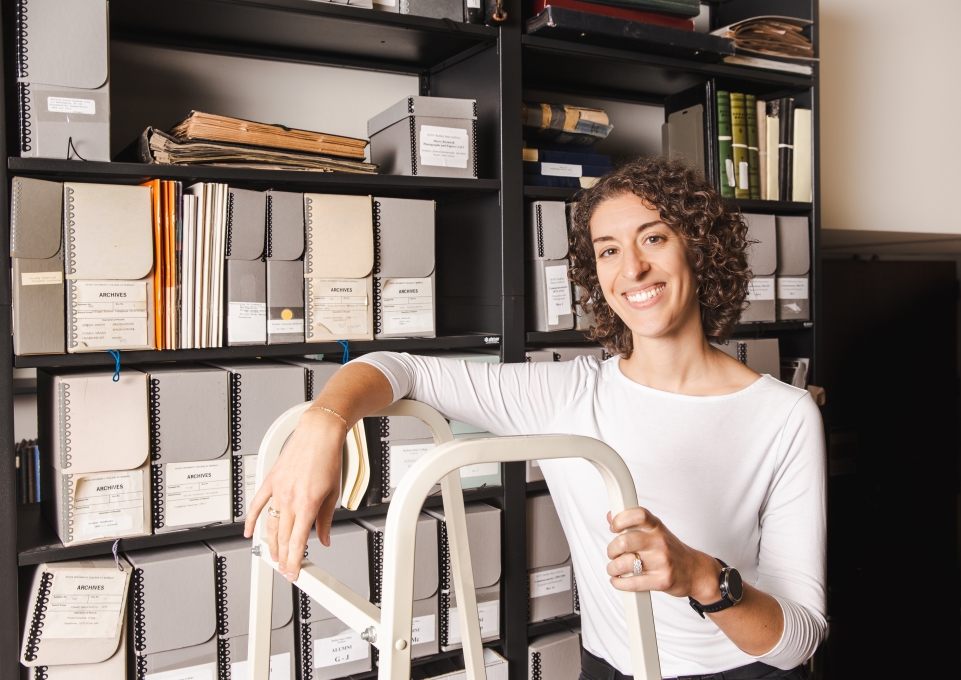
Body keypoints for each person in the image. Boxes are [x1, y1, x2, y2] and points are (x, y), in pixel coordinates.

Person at [245, 156, 826, 680]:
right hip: (608, 669)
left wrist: (702, 577)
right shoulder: (566, 392)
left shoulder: (784, 415)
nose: (634, 269)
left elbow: (799, 639)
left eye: (654, 238)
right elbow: (397, 367)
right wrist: (323, 423)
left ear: (698, 249)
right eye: (609, 250)